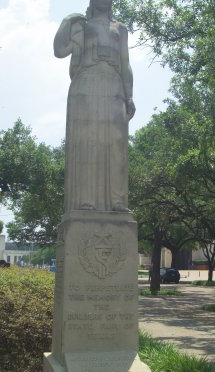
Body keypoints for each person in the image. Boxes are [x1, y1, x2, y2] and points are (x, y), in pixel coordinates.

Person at [54, 0, 136, 213]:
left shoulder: (120, 29)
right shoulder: (82, 25)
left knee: (116, 145)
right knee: (87, 144)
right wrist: (67, 20)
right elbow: (59, 50)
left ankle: (117, 201)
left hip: (114, 85)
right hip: (86, 84)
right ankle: (85, 200)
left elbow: (126, 63)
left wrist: (130, 96)